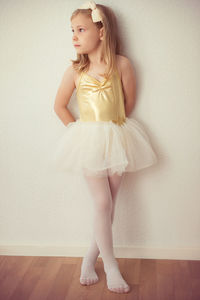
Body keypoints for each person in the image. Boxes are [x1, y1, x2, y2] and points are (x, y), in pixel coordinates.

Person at [53, 0, 158, 294]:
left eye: (81, 29)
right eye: (72, 30)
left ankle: (89, 258)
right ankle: (111, 265)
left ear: (101, 32)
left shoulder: (122, 64)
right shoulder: (75, 70)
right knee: (102, 203)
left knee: (108, 204)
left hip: (118, 137)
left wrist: (111, 125)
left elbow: (129, 103)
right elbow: (59, 106)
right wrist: (80, 133)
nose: (74, 36)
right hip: (88, 140)